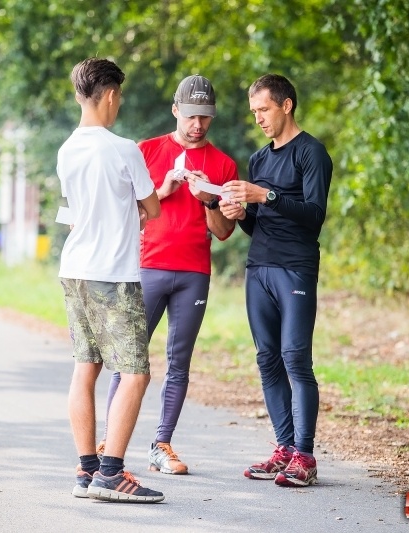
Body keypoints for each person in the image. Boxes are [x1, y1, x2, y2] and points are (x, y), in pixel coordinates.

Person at [102, 75, 238, 475]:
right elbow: (123, 213)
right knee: (130, 359)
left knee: (179, 362)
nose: (198, 124)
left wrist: (209, 199)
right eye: (192, 115)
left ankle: (162, 445)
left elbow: (224, 231)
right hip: (147, 267)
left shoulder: (223, 163)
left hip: (194, 272)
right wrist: (162, 190)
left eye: (206, 117)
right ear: (176, 110)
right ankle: (111, 442)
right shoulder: (145, 151)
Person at [57, 57, 163, 503]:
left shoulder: (67, 149)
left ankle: (86, 470)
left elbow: (77, 211)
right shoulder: (124, 149)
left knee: (86, 367)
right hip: (112, 274)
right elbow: (153, 207)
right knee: (135, 373)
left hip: (74, 271)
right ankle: (111, 473)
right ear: (111, 95)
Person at [220, 74, 332, 487]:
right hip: (259, 268)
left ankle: (305, 455)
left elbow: (313, 216)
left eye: (264, 110)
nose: (259, 119)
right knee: (267, 359)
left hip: (297, 268)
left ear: (286, 105)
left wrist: (263, 196)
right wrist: (241, 214)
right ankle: (284, 448)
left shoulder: (312, 153)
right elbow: (261, 224)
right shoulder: (259, 159)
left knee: (295, 359)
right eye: (254, 112)